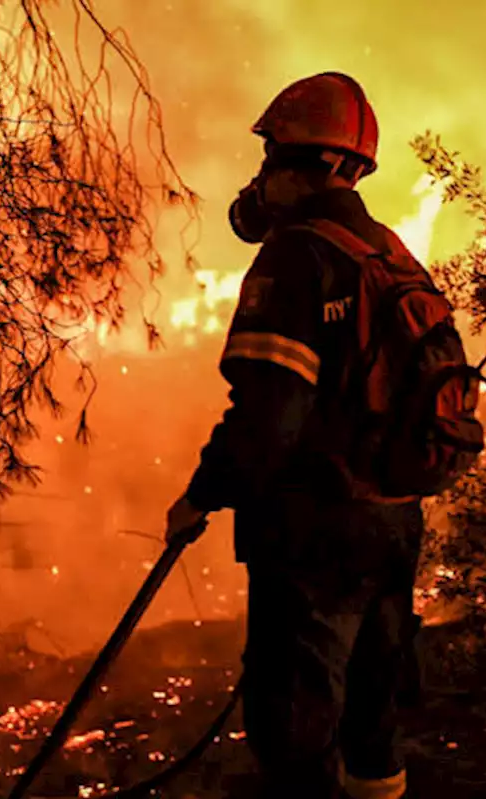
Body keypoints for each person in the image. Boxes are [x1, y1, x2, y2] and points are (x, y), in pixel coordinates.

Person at [166, 72, 425, 799]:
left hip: (316, 529)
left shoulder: (296, 258)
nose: (259, 181)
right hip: (395, 518)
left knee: (295, 726)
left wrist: (200, 495)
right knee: (375, 718)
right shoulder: (388, 251)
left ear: (294, 163)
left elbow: (269, 415)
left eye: (269, 156)